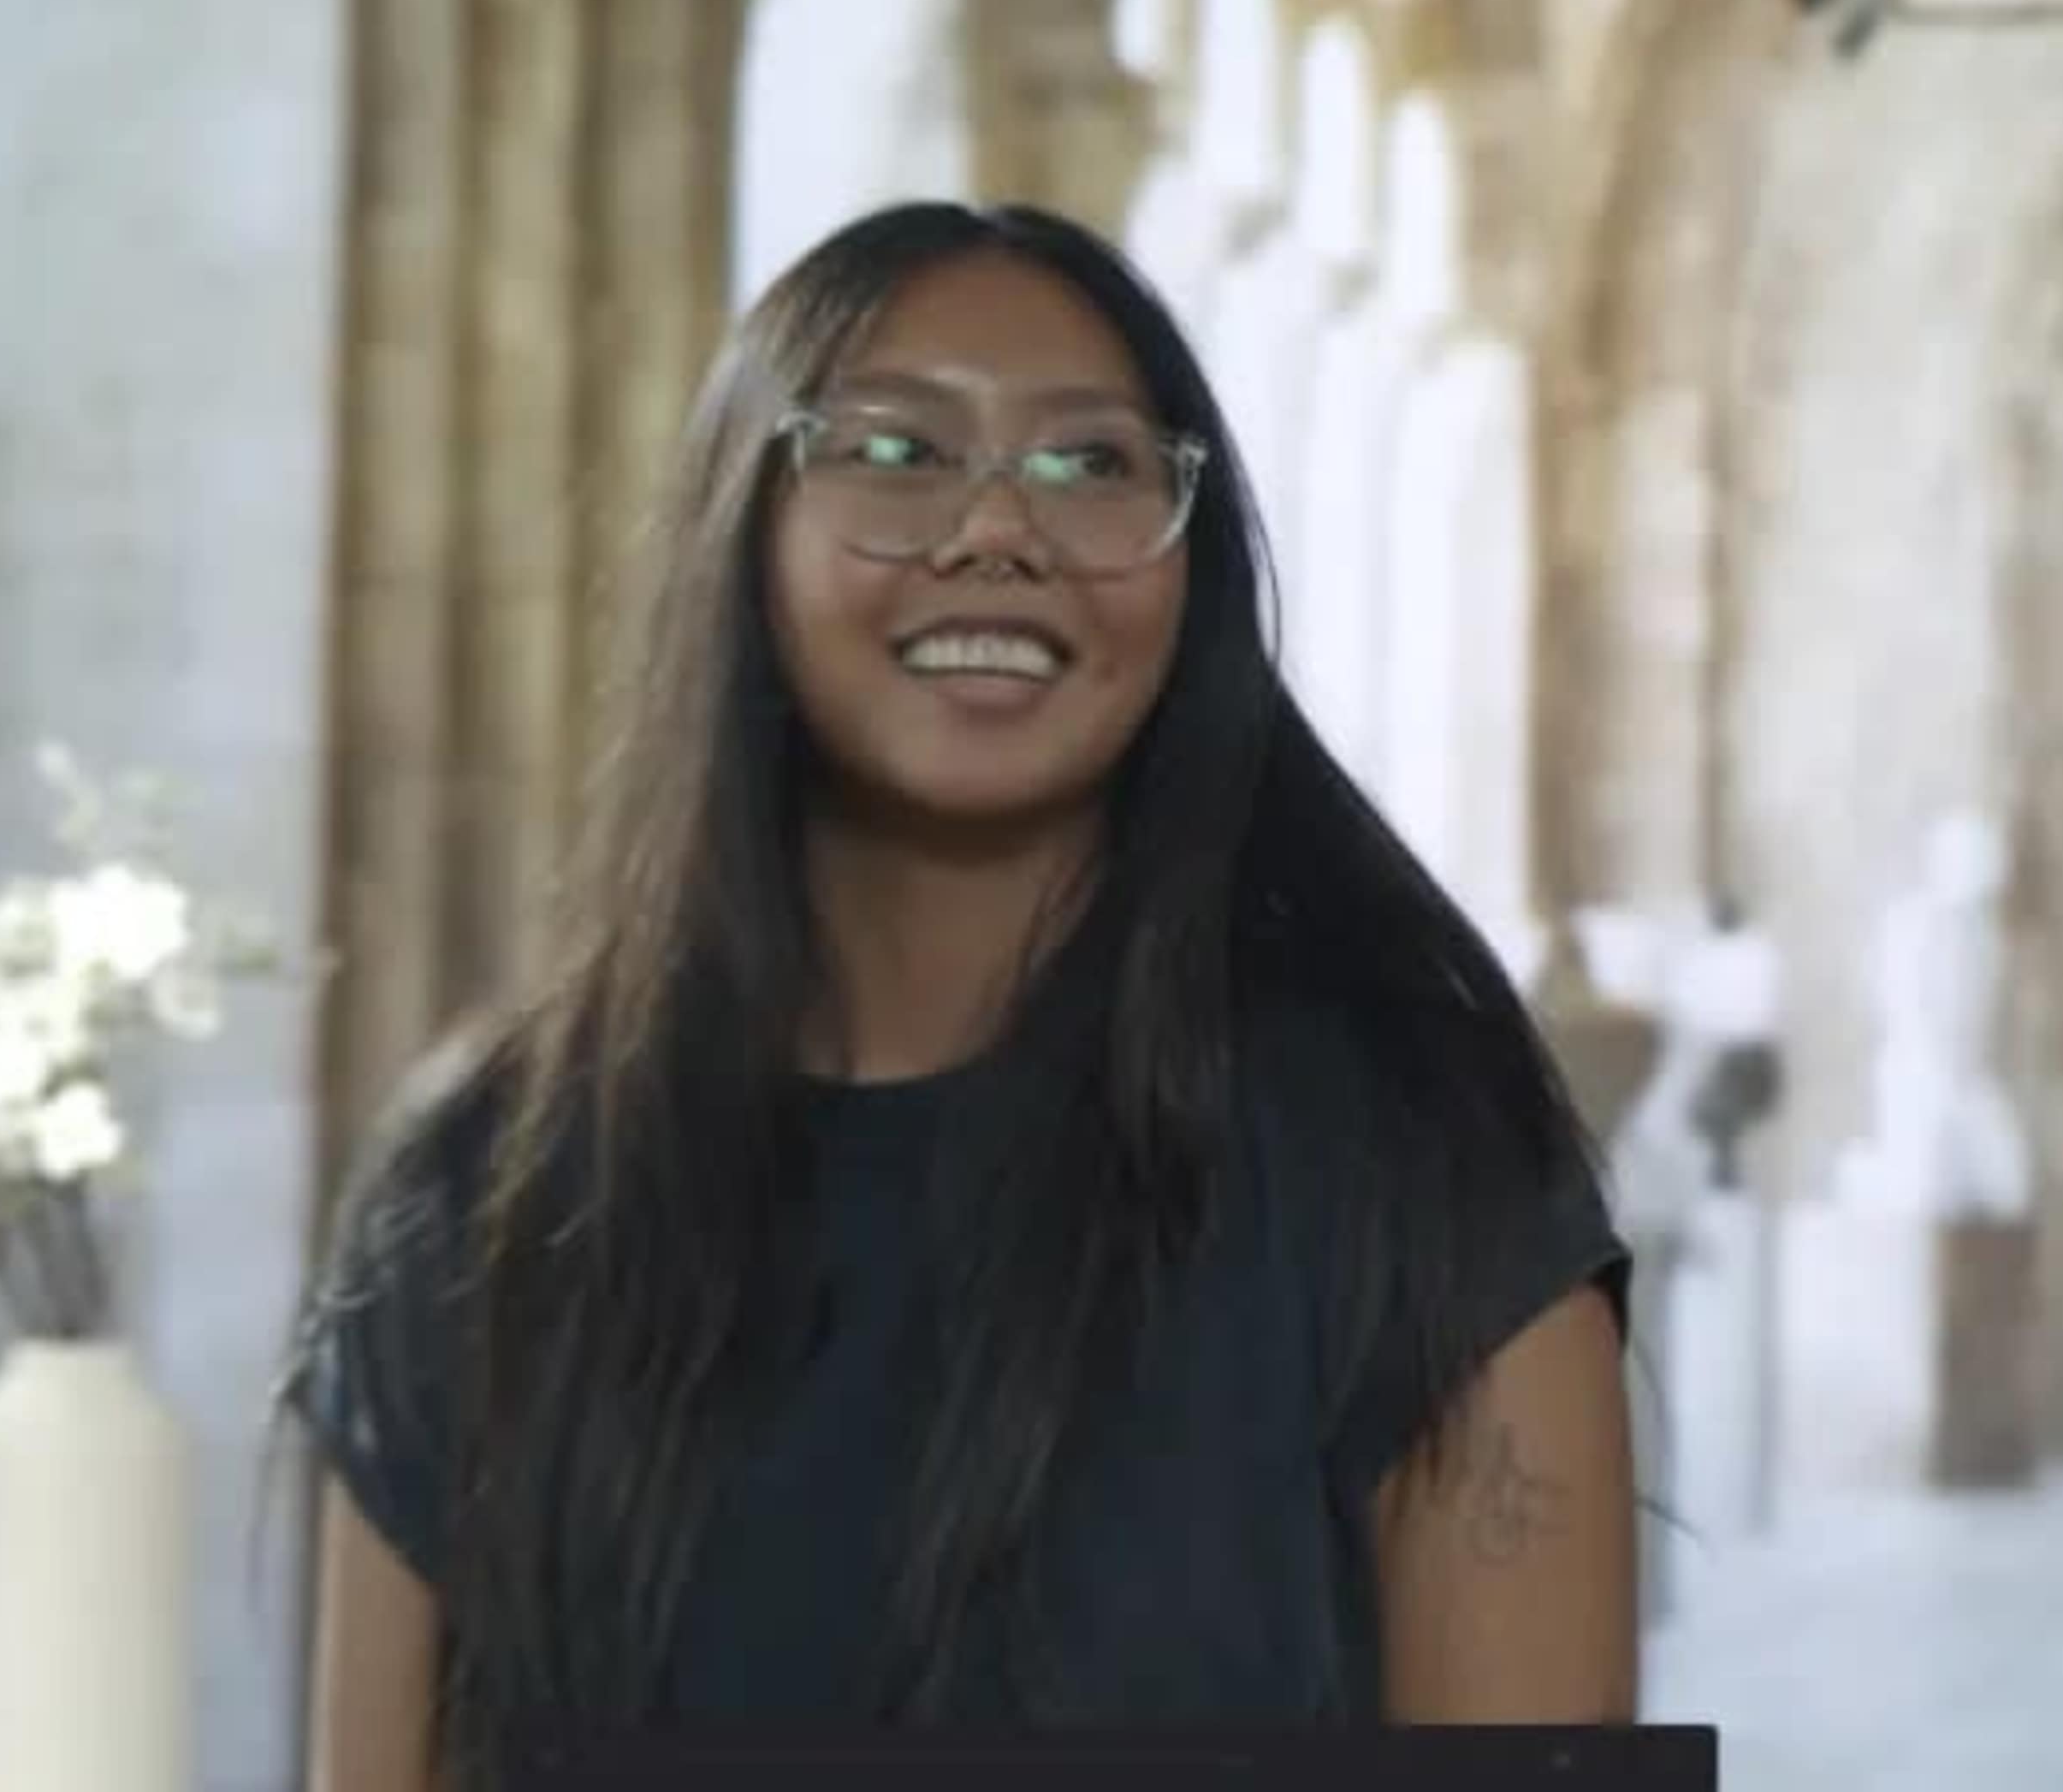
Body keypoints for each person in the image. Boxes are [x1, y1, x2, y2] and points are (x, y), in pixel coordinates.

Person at [288, 200, 1637, 1786]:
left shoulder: (1417, 1171)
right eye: (897, 451)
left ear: (1187, 575)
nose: (998, 528)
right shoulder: (484, 1193)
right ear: (746, 532)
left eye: (1090, 465)